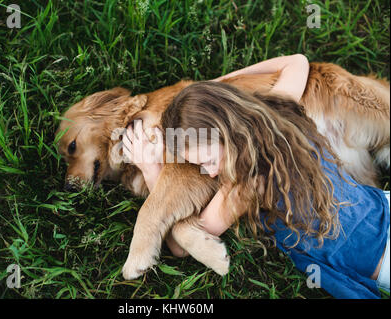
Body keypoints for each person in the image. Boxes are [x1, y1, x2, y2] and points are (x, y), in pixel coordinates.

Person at [122, 55, 390, 299]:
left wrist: (150, 170)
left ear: (222, 130)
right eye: (202, 167)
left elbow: (180, 247)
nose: (211, 172)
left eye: (209, 160)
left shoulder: (243, 186)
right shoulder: (274, 115)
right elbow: (296, 62)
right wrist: (217, 86)